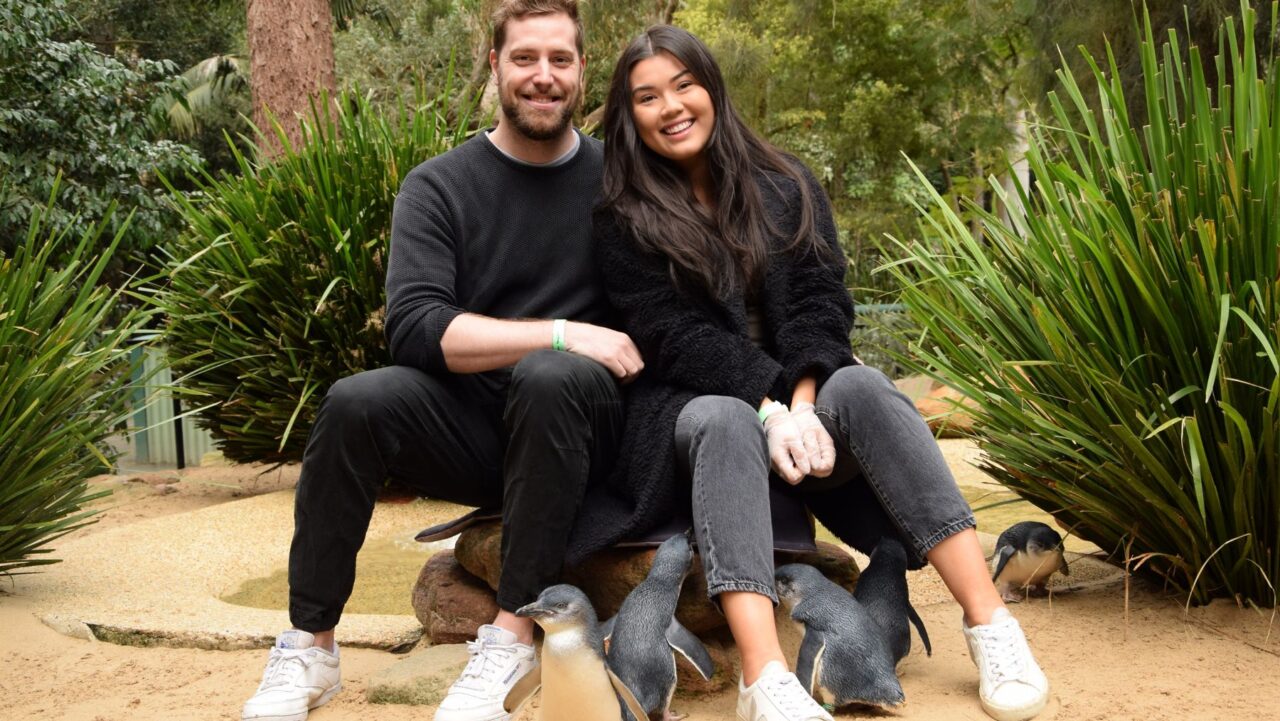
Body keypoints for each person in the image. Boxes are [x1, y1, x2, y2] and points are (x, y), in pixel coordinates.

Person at [576, 25, 1051, 721]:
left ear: (712, 88)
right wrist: (769, 409)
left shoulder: (785, 182)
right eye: (646, 97)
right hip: (696, 428)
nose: (670, 106)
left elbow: (821, 304)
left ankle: (991, 624)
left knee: (859, 384)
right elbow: (673, 338)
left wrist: (801, 404)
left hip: (799, 424)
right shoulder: (622, 215)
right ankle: (764, 679)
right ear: (629, 115)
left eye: (683, 85)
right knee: (726, 415)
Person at [239, 3, 642, 721]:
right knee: (355, 400)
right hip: (478, 428)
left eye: (560, 60)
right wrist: (559, 330)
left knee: (551, 377)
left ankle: (512, 637)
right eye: (525, 59)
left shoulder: (623, 182)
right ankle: (310, 645)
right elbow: (419, 329)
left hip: (586, 429)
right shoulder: (439, 186)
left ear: (583, 71)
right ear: (494, 66)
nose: (542, 77)